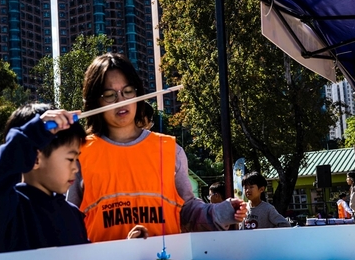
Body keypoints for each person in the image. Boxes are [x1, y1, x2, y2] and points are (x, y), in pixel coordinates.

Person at [67, 53, 246, 242]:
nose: (121, 101)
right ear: (95, 101)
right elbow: (66, 222)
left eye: (128, 91)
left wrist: (219, 213)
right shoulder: (79, 154)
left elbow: (187, 212)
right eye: (110, 95)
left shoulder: (169, 150)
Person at [0, 104, 90, 254]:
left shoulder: (73, 214)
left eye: (77, 159)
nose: (76, 168)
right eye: (70, 159)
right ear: (35, 159)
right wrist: (35, 132)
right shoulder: (10, 212)